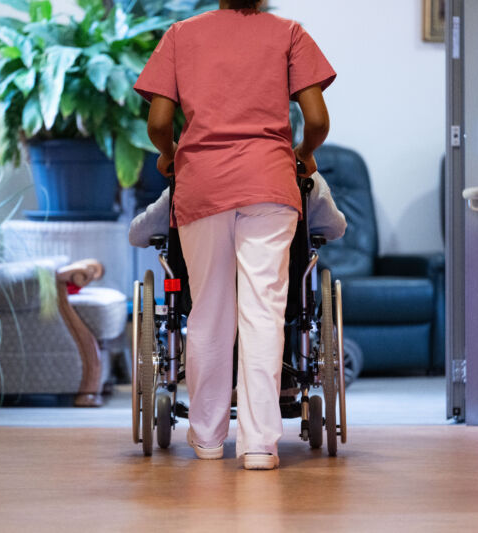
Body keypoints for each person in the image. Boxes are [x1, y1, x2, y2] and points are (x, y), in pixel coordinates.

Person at [134, 0, 335, 470]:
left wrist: (170, 154)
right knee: (264, 310)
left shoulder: (181, 35)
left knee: (207, 310)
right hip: (269, 183)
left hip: (202, 183)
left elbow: (159, 123)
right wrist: (304, 153)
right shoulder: (289, 33)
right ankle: (261, 445)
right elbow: (319, 120)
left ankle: (205, 438)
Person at [128, 172, 346, 248]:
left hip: (200, 291)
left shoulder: (194, 177)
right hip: (285, 293)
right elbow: (335, 228)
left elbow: (139, 234)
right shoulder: (306, 178)